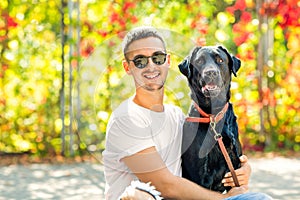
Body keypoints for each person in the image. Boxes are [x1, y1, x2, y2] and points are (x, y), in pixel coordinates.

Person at [102, 26, 272, 200]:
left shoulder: (176, 116)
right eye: (140, 61)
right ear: (127, 67)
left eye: (157, 58)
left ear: (167, 61)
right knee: (138, 195)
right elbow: (165, 186)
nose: (151, 66)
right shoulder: (127, 118)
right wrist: (225, 199)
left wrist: (242, 169)